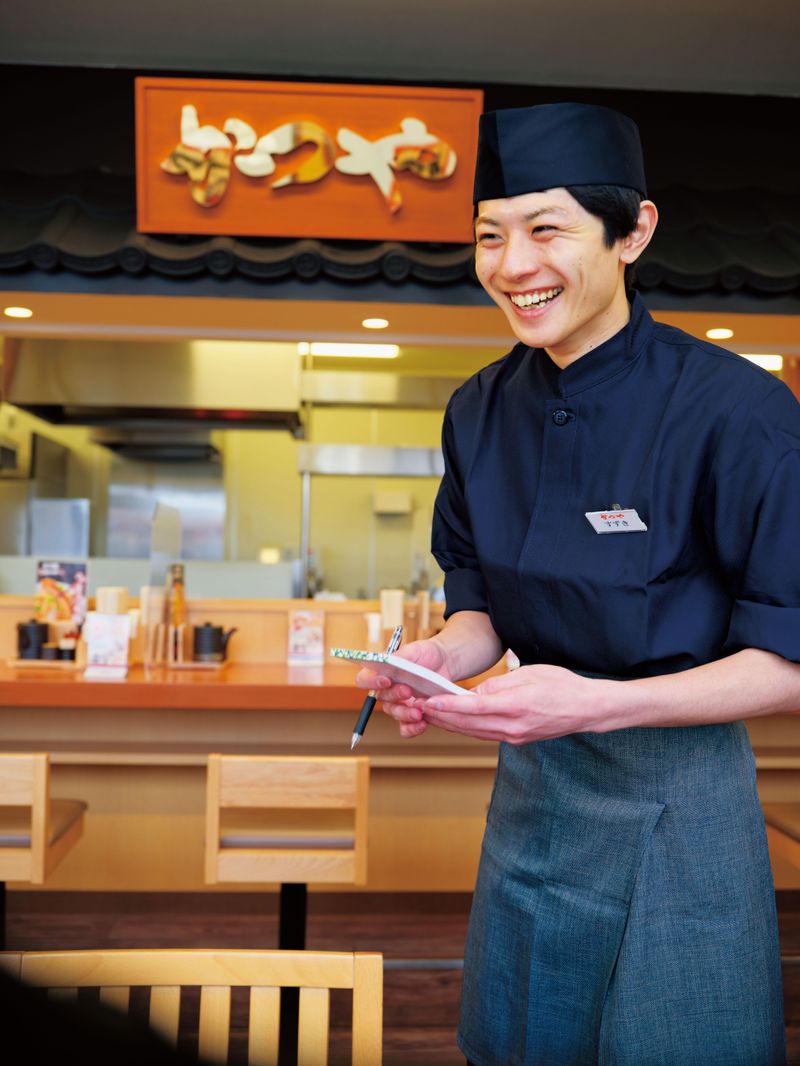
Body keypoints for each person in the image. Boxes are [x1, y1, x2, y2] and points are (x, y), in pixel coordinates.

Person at [356, 101, 800, 1066]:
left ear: (633, 232)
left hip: (681, 802)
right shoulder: (478, 410)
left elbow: (790, 664)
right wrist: (437, 659)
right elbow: (480, 606)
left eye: (546, 229)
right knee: (518, 1043)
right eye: (490, 235)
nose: (514, 265)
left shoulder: (739, 411)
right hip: (536, 797)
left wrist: (597, 703)